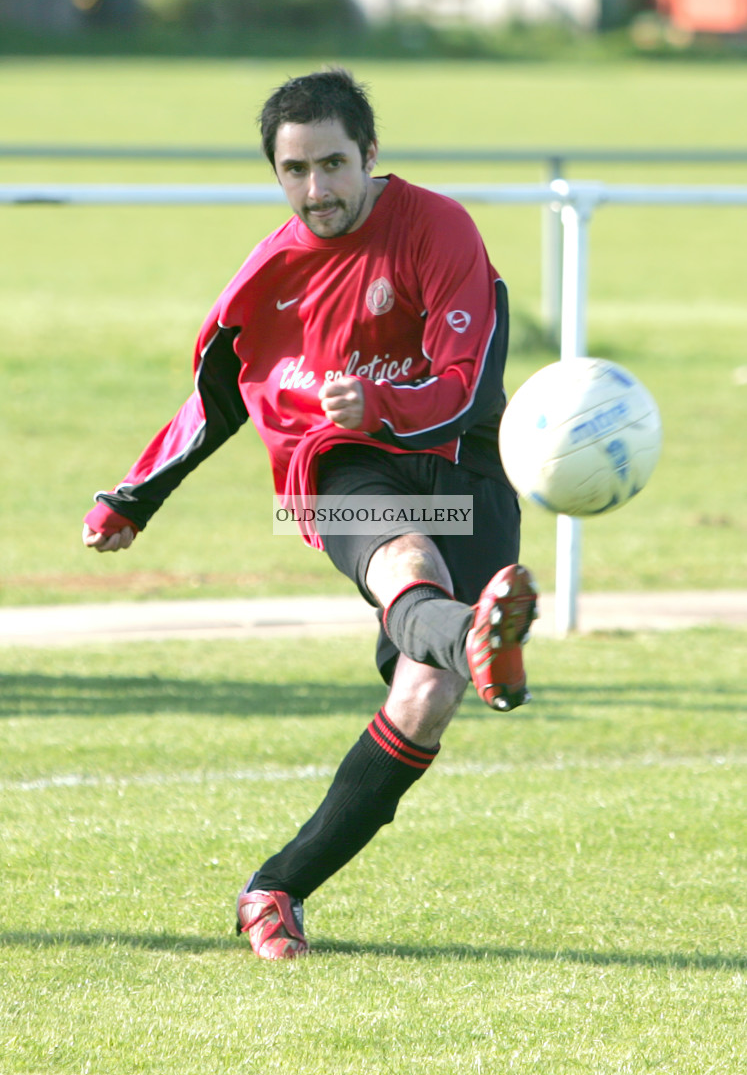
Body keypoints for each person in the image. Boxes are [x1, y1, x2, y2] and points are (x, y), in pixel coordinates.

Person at [82, 68, 538, 961]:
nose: (317, 190)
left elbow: (468, 382)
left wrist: (382, 404)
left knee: (426, 694)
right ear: (277, 174)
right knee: (410, 564)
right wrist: (135, 495)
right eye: (295, 171)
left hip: (463, 464)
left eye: (333, 164)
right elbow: (215, 397)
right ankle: (476, 635)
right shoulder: (270, 274)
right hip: (336, 465)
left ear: (371, 154)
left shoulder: (439, 230)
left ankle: (274, 888)